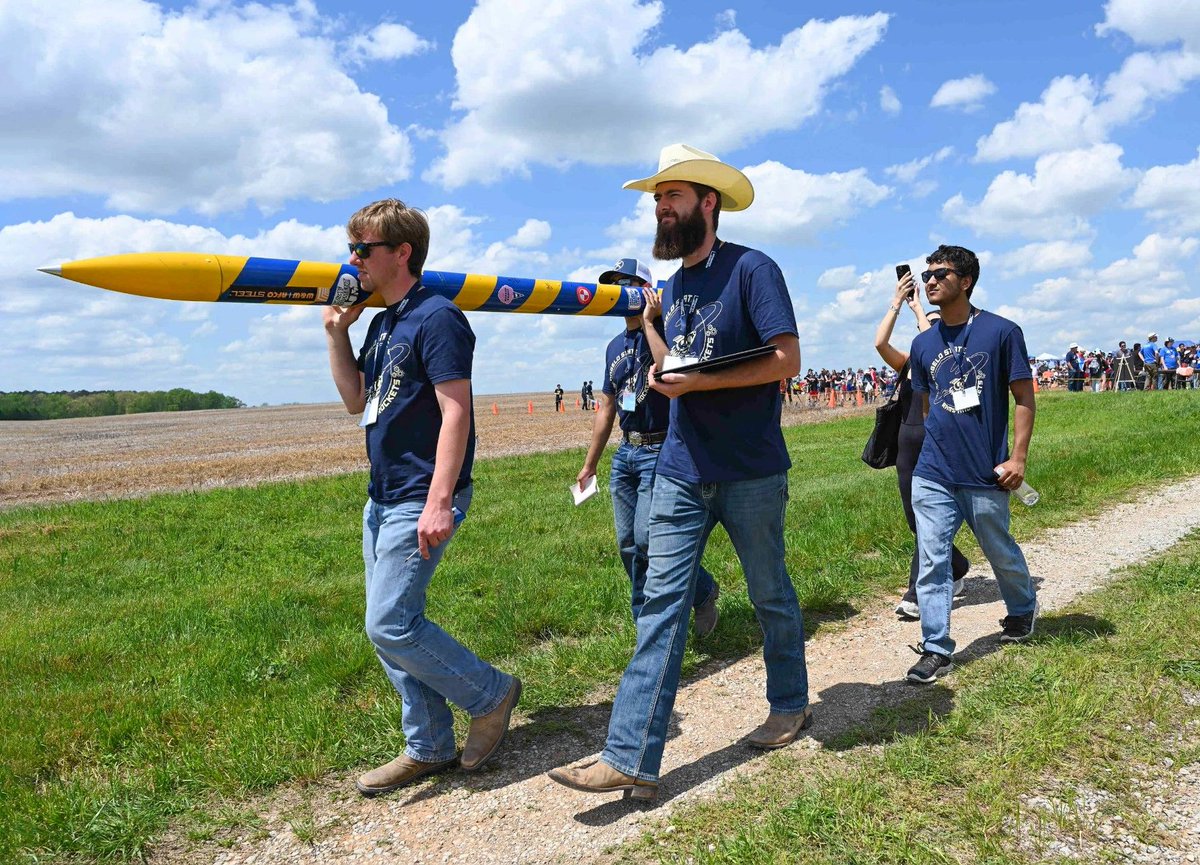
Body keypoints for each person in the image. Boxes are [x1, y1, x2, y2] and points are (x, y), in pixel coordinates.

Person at [549, 144, 810, 801]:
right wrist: (653, 332)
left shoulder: (753, 269)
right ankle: (630, 757)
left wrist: (697, 383)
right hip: (678, 466)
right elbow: (674, 368)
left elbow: (786, 359)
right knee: (661, 605)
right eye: (657, 199)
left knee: (769, 591)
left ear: (708, 203)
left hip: (749, 468)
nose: (661, 207)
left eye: (672, 196)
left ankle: (790, 702)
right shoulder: (673, 288)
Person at [322, 199, 521, 796]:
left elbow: (456, 411)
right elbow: (356, 400)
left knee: (390, 622)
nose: (352, 260)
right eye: (351, 249)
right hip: (382, 494)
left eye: (363, 249)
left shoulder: (438, 317)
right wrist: (336, 332)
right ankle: (429, 744)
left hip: (421, 492)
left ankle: (491, 695)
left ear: (402, 252)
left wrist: (439, 500)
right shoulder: (383, 323)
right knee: (387, 626)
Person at [904, 244, 1040, 684]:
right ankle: (936, 647)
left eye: (940, 274)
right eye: (927, 275)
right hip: (934, 472)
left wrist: (1017, 457)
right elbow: (928, 405)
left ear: (965, 281)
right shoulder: (923, 343)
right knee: (932, 560)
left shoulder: (1001, 332)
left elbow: (1024, 398)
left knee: (998, 549)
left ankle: (1022, 608)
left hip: (985, 472)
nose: (930, 281)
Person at [575, 257, 720, 633]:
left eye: (626, 283)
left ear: (646, 289)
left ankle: (694, 595)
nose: (617, 291)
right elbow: (607, 406)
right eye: (612, 284)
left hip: (660, 448)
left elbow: (674, 371)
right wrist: (590, 464)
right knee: (627, 542)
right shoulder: (613, 346)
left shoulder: (667, 331)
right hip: (626, 452)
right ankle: (652, 617)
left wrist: (651, 322)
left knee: (647, 539)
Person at [873, 273, 969, 620]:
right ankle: (957, 565)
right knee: (916, 522)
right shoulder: (908, 364)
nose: (929, 328)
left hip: (939, 449)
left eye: (935, 324)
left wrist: (920, 313)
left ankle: (915, 594)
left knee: (928, 520)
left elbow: (936, 347)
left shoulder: (952, 369)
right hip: (906, 451)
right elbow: (880, 343)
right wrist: (897, 303)